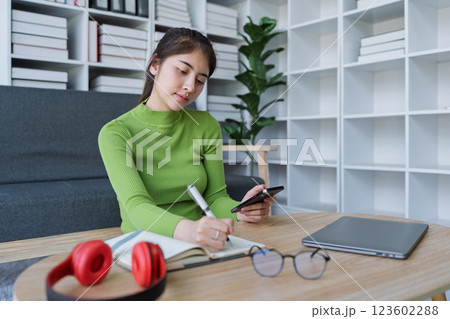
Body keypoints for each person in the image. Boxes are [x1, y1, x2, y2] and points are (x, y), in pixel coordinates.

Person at [98, 28, 274, 253]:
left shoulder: (206, 125)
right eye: (182, 71)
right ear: (155, 65)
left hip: (198, 241)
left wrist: (241, 210)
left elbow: (215, 197)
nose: (191, 87)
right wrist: (189, 230)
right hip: (144, 244)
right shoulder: (116, 132)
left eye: (200, 80)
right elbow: (136, 206)